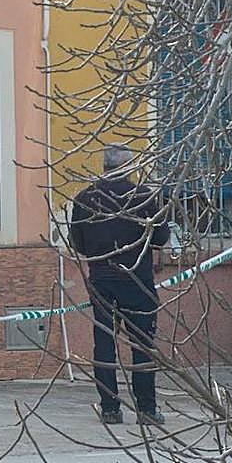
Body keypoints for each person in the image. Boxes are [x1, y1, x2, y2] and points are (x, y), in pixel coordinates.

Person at [70, 145, 170, 426]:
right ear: (128, 167)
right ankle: (147, 410)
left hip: (101, 279)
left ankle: (110, 408)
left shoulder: (85, 199)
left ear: (104, 167)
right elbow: (161, 238)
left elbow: (78, 243)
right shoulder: (143, 198)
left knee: (103, 344)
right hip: (137, 280)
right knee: (142, 345)